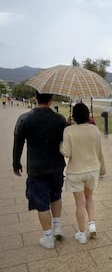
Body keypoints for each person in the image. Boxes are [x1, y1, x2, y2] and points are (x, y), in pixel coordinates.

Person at [13, 92, 68, 249]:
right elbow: (66, 138)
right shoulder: (59, 119)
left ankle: (48, 237)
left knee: (41, 202)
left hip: (36, 168)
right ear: (51, 101)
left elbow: (18, 141)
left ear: (36, 99)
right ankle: (57, 226)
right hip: (57, 165)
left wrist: (16, 163)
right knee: (56, 195)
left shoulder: (25, 118)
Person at [60, 102, 106, 244]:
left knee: (80, 203)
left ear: (74, 116)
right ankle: (92, 224)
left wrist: (60, 145)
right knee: (90, 198)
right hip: (93, 170)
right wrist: (103, 169)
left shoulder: (68, 131)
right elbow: (99, 152)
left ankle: (81, 234)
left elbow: (67, 153)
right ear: (87, 115)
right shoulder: (94, 130)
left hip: (76, 172)